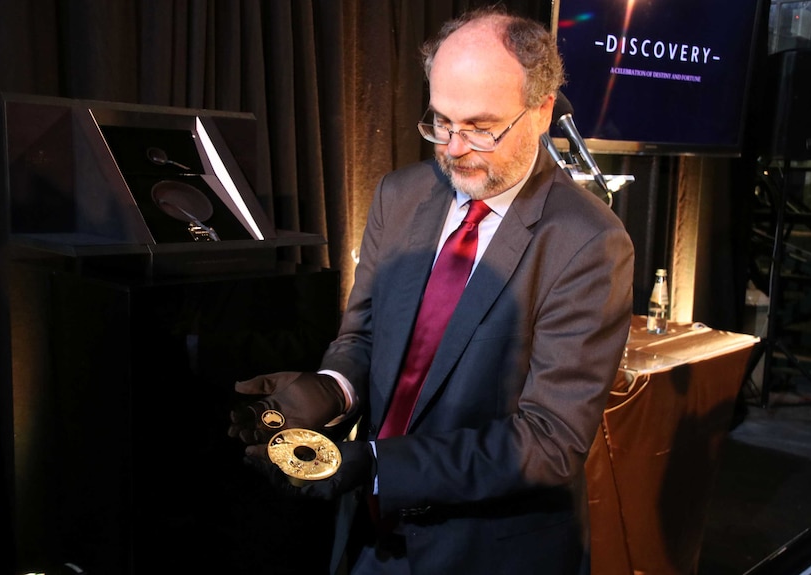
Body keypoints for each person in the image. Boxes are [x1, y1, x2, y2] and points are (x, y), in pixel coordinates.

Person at [229, 6, 634, 575]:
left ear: (542, 112)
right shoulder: (400, 195)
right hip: (369, 536)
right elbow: (365, 335)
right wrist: (332, 388)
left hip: (486, 550)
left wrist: (374, 464)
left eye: (481, 126)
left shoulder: (588, 241)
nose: (454, 148)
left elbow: (549, 441)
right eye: (441, 122)